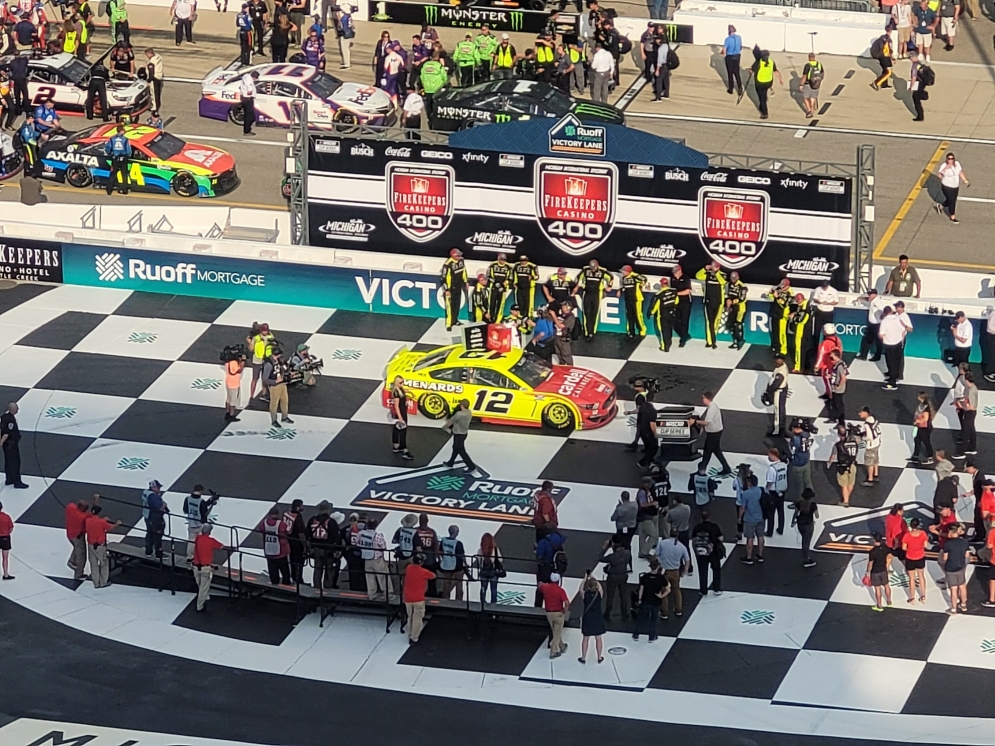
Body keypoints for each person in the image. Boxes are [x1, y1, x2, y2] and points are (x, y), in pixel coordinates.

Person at [694, 392, 732, 475]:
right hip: (716, 431)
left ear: (707, 399)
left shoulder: (712, 408)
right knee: (716, 450)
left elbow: (707, 422)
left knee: (707, 452)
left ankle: (701, 470)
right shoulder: (712, 406)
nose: (702, 400)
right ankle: (726, 468)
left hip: (713, 433)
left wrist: (694, 421)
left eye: (703, 398)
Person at [632, 558, 669, 642]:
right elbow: (668, 589)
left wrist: (640, 599)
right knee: (654, 619)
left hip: (646, 600)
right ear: (658, 567)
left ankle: (636, 634)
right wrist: (662, 596)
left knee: (641, 618)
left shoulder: (645, 577)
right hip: (656, 601)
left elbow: (641, 589)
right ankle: (652, 636)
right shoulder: (661, 578)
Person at [307, 501, 340, 590]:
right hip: (328, 550)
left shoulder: (312, 520)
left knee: (317, 569)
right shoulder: (331, 522)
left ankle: (316, 588)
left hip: (316, 549)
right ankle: (327, 588)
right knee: (329, 570)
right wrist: (337, 549)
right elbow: (336, 536)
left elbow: (308, 534)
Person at [655, 529, 688, 620]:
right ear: (677, 535)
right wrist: (684, 571)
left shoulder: (662, 543)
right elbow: (687, 560)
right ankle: (678, 609)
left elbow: (656, 555)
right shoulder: (682, 547)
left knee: (664, 591)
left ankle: (664, 612)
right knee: (676, 590)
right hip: (675, 571)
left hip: (664, 571)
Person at [576, 259, 612, 340]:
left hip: (597, 294)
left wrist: (608, 286)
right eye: (591, 267)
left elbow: (611, 277)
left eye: (594, 267)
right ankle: (587, 332)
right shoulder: (586, 270)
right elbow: (578, 277)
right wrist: (578, 285)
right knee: (587, 313)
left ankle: (592, 332)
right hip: (587, 293)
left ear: (597, 265)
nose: (592, 269)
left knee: (595, 313)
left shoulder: (602, 271)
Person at [402, 554, 435, 643]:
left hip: (407, 598)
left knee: (410, 616)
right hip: (418, 598)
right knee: (418, 618)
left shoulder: (408, 568)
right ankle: (414, 637)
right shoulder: (424, 572)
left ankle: (410, 633)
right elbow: (433, 575)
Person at [192, 524, 225, 612]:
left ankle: (205, 597)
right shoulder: (211, 541)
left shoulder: (198, 538)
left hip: (195, 566)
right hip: (205, 567)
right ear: (210, 532)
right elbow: (221, 546)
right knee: (203, 587)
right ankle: (200, 606)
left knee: (199, 584)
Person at [691, 509, 723, 595]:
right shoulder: (714, 526)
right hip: (714, 552)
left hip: (701, 553)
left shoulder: (697, 527)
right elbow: (721, 538)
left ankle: (703, 590)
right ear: (709, 517)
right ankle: (716, 589)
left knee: (702, 571)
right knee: (716, 570)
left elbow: (693, 539)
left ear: (701, 518)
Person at [695, 262, 726, 349]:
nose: (713, 268)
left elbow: (723, 281)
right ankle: (710, 341)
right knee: (709, 322)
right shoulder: (707, 275)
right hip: (708, 301)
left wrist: (716, 273)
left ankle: (713, 339)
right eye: (712, 267)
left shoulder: (723, 275)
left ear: (718, 267)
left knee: (716, 322)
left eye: (715, 267)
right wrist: (704, 269)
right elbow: (698, 276)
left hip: (718, 302)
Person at [598, 537, 631, 619]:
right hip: (623, 575)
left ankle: (607, 613)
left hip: (613, 577)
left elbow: (600, 558)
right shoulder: (627, 553)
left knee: (610, 596)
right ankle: (624, 613)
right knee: (623, 595)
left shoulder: (612, 556)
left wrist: (604, 548)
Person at [576, 574, 606, 663]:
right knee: (598, 638)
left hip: (588, 618)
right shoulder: (599, 594)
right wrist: (594, 577)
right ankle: (599, 657)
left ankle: (584, 657)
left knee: (585, 638)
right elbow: (600, 587)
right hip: (597, 617)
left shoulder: (585, 595)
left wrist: (584, 579)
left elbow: (580, 589)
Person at [539, 572, 570, 657]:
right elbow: (567, 603)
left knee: (555, 631)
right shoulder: (560, 591)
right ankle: (554, 651)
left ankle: (562, 646)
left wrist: (543, 584)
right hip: (558, 613)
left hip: (549, 613)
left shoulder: (545, 588)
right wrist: (565, 611)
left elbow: (540, 585)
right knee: (557, 633)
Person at [258, 506, 291, 585]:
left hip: (269, 550)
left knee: (273, 571)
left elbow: (261, 530)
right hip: (281, 552)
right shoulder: (281, 524)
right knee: (285, 571)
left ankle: (274, 584)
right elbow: (288, 531)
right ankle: (286, 584)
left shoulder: (264, 523)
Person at [941, 523, 968, 613]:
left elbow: (945, 558)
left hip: (950, 568)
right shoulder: (964, 542)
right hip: (961, 566)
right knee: (962, 586)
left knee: (953, 589)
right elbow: (967, 555)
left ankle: (953, 608)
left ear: (951, 532)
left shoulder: (948, 544)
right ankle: (963, 605)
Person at [879, 306, 909, 389]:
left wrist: (885, 338)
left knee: (891, 362)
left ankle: (892, 383)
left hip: (889, 344)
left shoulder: (884, 321)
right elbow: (904, 330)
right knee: (896, 361)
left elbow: (881, 334)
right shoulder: (898, 319)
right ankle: (893, 377)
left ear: (885, 313)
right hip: (898, 343)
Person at [737, 474, 765, 563]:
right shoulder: (761, 490)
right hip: (761, 517)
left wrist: (739, 517)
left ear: (750, 483)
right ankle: (760, 555)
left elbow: (742, 507)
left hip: (750, 519)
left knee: (749, 538)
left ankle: (749, 557)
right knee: (760, 536)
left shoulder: (746, 494)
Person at [443, 399, 476, 473]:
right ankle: (450, 463)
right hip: (464, 433)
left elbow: (450, 422)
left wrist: (444, 427)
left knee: (461, 450)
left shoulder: (459, 414)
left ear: (461, 405)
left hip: (458, 434)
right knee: (455, 448)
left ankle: (471, 467)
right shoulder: (469, 412)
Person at [750, 46, 782, 120]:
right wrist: (780, 79)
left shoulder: (759, 62)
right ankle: (762, 106)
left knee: (761, 97)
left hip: (760, 82)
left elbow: (752, 71)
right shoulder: (771, 61)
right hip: (768, 82)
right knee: (763, 95)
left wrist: (750, 70)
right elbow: (775, 71)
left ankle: (764, 113)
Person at [0, 402, 27, 489]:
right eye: (17, 408)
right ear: (13, 409)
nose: (18, 409)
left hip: (7, 445)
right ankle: (17, 482)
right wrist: (1, 443)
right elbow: (6, 433)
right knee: (15, 462)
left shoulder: (4, 417)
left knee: (8, 462)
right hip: (11, 445)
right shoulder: (10, 420)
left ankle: (9, 479)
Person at [262, 349, 292, 427]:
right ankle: (274, 420)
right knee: (274, 403)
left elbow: (282, 369)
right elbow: (264, 379)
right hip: (274, 386)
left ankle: (284, 417)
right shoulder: (268, 364)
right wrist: (275, 382)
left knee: (285, 400)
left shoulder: (278, 361)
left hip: (282, 383)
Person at [864, 533, 892, 611]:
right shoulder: (885, 548)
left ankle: (879, 605)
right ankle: (889, 601)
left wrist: (867, 572)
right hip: (883, 570)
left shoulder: (872, 551)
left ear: (874, 540)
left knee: (877, 589)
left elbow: (870, 563)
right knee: (886, 586)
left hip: (875, 572)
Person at [791, 488, 819, 568]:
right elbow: (817, 516)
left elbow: (795, 513)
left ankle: (806, 556)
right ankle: (806, 559)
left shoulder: (799, 503)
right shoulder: (813, 505)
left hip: (800, 524)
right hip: (809, 525)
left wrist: (792, 522)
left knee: (804, 539)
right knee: (806, 541)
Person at [937, 152, 968, 223]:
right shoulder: (944, 165)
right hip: (947, 186)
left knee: (951, 200)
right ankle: (952, 216)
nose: (951, 160)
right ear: (946, 159)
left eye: (952, 159)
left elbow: (960, 172)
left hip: (955, 186)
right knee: (952, 201)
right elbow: (940, 175)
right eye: (949, 159)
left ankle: (941, 205)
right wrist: (947, 167)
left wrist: (965, 180)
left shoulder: (957, 164)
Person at [902, 517, 928, 603]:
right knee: (921, 576)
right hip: (920, 557)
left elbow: (904, 547)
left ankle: (912, 597)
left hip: (910, 558)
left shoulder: (907, 535)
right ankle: (923, 595)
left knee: (912, 579)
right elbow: (926, 545)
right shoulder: (923, 534)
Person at [764, 448, 789, 537]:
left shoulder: (772, 468)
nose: (768, 457)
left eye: (769, 455)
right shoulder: (784, 465)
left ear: (773, 455)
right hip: (782, 490)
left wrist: (766, 490)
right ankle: (780, 529)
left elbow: (770, 482)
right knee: (781, 510)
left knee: (771, 512)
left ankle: (769, 531)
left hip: (773, 492)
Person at [66, 498, 92, 580]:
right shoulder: (82, 516)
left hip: (70, 534)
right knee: (81, 554)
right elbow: (92, 515)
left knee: (77, 548)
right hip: (78, 536)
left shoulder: (70, 507)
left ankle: (71, 560)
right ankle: (78, 573)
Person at [437, 525, 466, 601]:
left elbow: (440, 551)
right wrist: (465, 564)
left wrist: (441, 559)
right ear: (455, 533)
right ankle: (459, 600)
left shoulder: (443, 540)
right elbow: (462, 555)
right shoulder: (458, 543)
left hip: (446, 565)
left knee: (446, 583)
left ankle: (445, 599)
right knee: (458, 583)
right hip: (458, 567)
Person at [649, 276, 677, 352]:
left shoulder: (659, 294)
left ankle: (664, 347)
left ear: (661, 284)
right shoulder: (674, 291)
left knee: (663, 331)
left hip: (662, 315)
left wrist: (651, 313)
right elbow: (677, 302)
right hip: (672, 314)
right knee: (669, 329)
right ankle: (669, 343)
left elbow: (656, 305)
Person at [619, 265, 648, 338]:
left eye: (624, 271)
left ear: (628, 271)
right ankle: (631, 331)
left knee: (638, 315)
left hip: (636, 299)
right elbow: (625, 287)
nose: (622, 272)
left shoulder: (635, 276)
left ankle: (642, 329)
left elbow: (644, 279)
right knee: (629, 316)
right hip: (628, 299)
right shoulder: (624, 278)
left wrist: (641, 286)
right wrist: (620, 290)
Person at [141, 479, 167, 558]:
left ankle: (148, 551)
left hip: (147, 516)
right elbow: (159, 508)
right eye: (158, 487)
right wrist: (164, 505)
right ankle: (158, 553)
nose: (159, 489)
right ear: (154, 487)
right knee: (157, 535)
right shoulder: (153, 496)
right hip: (155, 518)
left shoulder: (146, 492)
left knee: (149, 534)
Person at [858, 289, 886, 361]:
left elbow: (883, 309)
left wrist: (883, 315)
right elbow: (868, 299)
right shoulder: (872, 301)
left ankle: (877, 356)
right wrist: (861, 298)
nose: (869, 295)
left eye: (870, 294)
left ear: (875, 294)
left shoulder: (878, 302)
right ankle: (863, 355)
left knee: (878, 341)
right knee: (868, 340)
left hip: (877, 325)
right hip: (871, 324)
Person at [955, 371, 979, 456]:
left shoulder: (971, 391)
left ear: (966, 380)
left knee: (965, 431)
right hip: (970, 412)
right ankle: (972, 448)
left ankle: (961, 452)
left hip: (970, 412)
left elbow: (971, 406)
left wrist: (960, 406)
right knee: (971, 430)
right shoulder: (969, 388)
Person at [635, 478, 659, 558]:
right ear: (645, 484)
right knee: (654, 535)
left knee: (643, 535)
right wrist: (653, 504)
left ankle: (641, 552)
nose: (651, 485)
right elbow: (642, 504)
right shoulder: (642, 493)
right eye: (649, 484)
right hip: (645, 517)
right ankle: (645, 551)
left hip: (644, 516)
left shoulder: (647, 491)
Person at [475, 532, 502, 604]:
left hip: (484, 572)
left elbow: (478, 560)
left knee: (483, 588)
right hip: (493, 572)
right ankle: (493, 604)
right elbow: (500, 560)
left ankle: (483, 603)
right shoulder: (495, 549)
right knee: (494, 589)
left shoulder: (480, 550)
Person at [765, 355, 789, 437]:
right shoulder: (783, 366)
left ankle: (777, 430)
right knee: (781, 410)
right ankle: (781, 428)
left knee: (778, 411)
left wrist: (769, 391)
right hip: (782, 391)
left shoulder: (780, 372)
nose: (777, 361)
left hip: (779, 392)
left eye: (779, 360)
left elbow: (776, 383)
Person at [610, 490, 638, 557]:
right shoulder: (635, 505)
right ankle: (628, 557)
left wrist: (618, 507)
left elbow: (612, 518)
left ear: (622, 498)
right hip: (631, 526)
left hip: (621, 528)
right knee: (627, 542)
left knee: (619, 543)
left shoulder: (620, 509)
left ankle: (619, 557)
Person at [671, 265, 693, 347]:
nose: (674, 274)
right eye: (673, 272)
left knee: (684, 321)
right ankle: (685, 335)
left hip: (686, 302)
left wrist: (676, 294)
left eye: (676, 272)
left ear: (680, 271)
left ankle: (683, 339)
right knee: (675, 321)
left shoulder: (686, 278)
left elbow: (687, 291)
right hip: (677, 302)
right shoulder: (672, 278)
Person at [725, 271, 748, 349]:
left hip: (740, 308)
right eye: (732, 278)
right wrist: (727, 300)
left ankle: (740, 340)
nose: (733, 280)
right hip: (732, 308)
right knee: (730, 325)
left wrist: (732, 301)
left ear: (738, 277)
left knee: (737, 324)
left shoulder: (742, 286)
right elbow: (727, 294)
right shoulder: (729, 284)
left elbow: (742, 298)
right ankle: (735, 341)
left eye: (734, 278)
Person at [825, 349, 848, 425]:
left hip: (838, 389)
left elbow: (843, 378)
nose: (831, 357)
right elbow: (836, 375)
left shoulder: (840, 366)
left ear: (836, 356)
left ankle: (841, 422)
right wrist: (830, 376)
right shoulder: (837, 364)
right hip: (834, 387)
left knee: (839, 405)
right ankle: (833, 418)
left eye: (832, 356)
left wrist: (838, 386)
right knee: (833, 403)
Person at [636, 397, 658, 469]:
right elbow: (652, 424)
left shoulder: (642, 408)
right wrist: (655, 434)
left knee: (648, 446)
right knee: (653, 448)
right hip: (648, 432)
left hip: (642, 431)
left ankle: (648, 459)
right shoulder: (652, 411)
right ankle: (643, 462)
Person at [800, 52, 823, 119]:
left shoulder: (807, 65)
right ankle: (812, 110)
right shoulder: (819, 64)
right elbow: (822, 74)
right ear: (814, 57)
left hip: (808, 83)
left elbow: (804, 76)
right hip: (816, 83)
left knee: (805, 97)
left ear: (809, 57)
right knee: (813, 97)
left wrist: (801, 84)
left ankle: (809, 110)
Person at [721, 24, 743, 95]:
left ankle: (731, 88)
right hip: (737, 56)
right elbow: (740, 47)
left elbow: (724, 50)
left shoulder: (727, 39)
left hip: (730, 57)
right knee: (737, 73)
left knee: (730, 73)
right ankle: (740, 87)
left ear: (729, 31)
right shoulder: (739, 37)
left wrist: (722, 53)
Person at [910, 51, 931, 121]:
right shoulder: (921, 63)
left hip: (918, 83)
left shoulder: (914, 65)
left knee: (916, 99)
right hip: (923, 82)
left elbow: (914, 77)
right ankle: (923, 94)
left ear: (913, 57)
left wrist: (911, 86)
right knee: (918, 94)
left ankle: (920, 116)